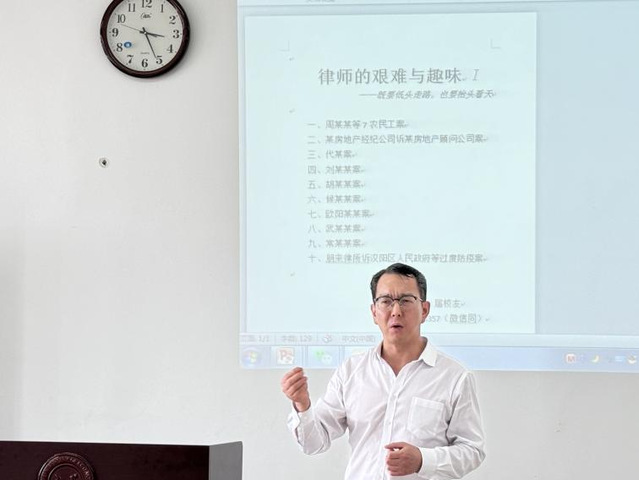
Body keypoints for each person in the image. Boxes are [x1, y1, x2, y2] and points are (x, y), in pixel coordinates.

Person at [280, 263, 485, 480]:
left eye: (406, 300)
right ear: (374, 312)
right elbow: (313, 443)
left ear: (424, 310)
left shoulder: (454, 377)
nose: (396, 311)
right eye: (386, 301)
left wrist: (422, 460)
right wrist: (302, 405)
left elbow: (472, 451)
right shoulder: (351, 371)